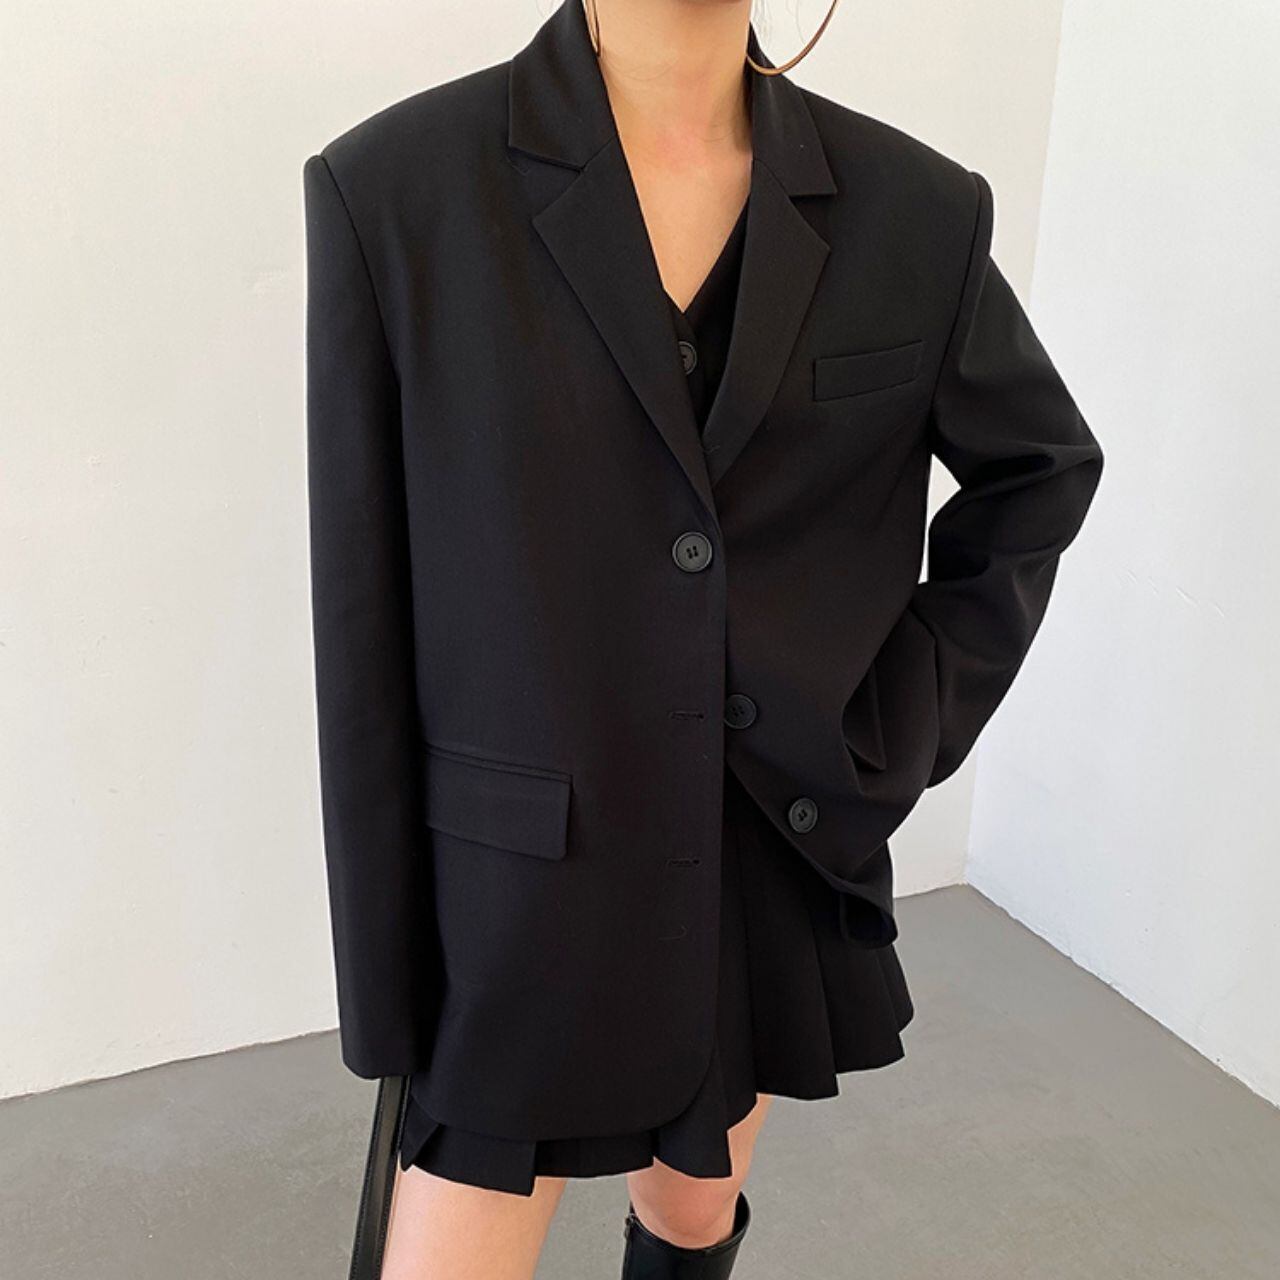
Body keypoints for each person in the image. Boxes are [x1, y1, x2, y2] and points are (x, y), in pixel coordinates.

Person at [301, 1, 1105, 1276]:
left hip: (759, 850)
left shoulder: (915, 210)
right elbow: (361, 616)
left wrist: (889, 729)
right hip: (519, 886)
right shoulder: (396, 191)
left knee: (691, 1206)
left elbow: (1037, 470)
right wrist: (384, 981)